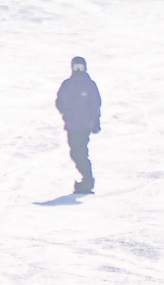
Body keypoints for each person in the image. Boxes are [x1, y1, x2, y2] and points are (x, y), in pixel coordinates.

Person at [55, 56, 102, 194]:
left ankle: (87, 180)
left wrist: (95, 121)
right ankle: (86, 179)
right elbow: (59, 101)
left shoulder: (89, 85)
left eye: (80, 67)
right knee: (75, 152)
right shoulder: (67, 84)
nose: (78, 70)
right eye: (76, 67)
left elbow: (95, 104)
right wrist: (65, 112)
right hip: (71, 125)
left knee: (80, 151)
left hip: (84, 125)